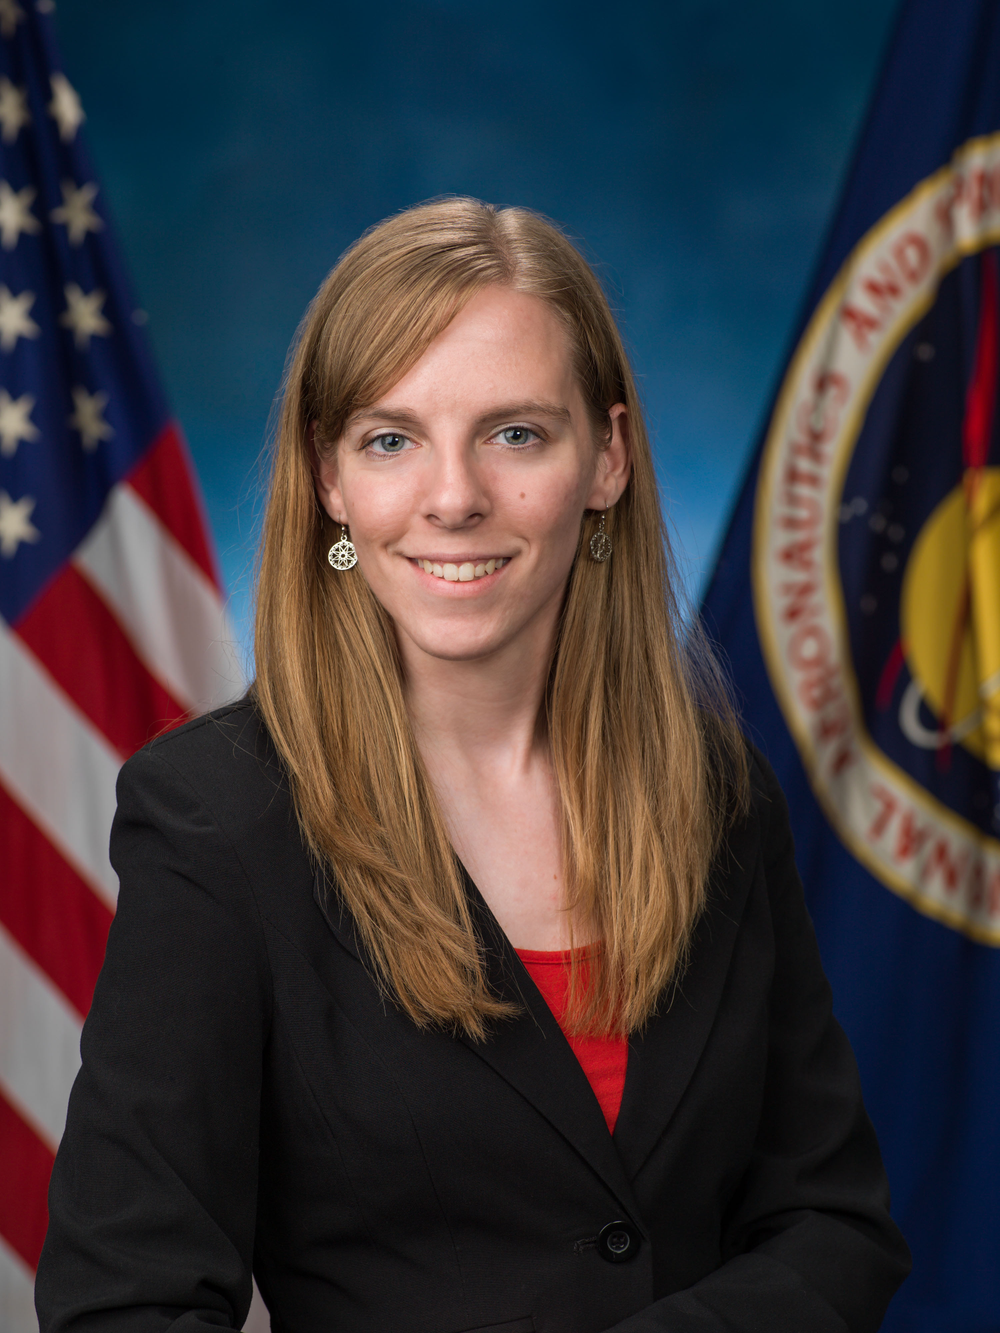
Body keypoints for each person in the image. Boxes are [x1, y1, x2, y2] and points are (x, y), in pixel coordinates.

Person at [36, 199, 911, 1333]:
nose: (453, 498)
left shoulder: (716, 789)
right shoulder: (217, 822)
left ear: (607, 458)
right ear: (329, 480)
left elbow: (833, 1224)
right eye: (391, 438)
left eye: (514, 434)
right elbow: (126, 1305)